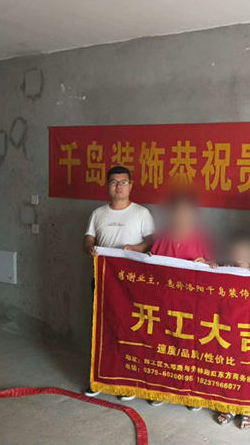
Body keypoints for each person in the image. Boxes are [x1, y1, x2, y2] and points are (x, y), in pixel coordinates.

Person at [83, 166, 155, 399]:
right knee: (101, 328)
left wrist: (135, 249)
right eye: (114, 182)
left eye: (123, 182)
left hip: (132, 284)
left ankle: (128, 382)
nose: (119, 187)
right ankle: (98, 379)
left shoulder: (142, 213)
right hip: (104, 280)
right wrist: (90, 248)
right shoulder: (98, 213)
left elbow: (152, 242)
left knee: (130, 329)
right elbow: (88, 239)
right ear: (107, 186)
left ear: (131, 185)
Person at [149, 190, 216, 410]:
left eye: (186, 212)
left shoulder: (201, 238)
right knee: (163, 345)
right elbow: (152, 266)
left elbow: (213, 269)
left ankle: (189, 393)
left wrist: (206, 264)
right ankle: (162, 389)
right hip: (165, 302)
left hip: (190, 305)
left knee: (188, 348)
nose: (181, 216)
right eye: (177, 211)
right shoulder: (163, 236)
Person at [216, 231, 250, 429]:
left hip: (248, 330)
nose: (239, 254)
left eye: (244, 251)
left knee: (247, 369)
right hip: (228, 328)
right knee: (229, 368)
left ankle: (247, 409)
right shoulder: (225, 269)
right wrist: (212, 268)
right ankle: (230, 406)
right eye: (236, 250)